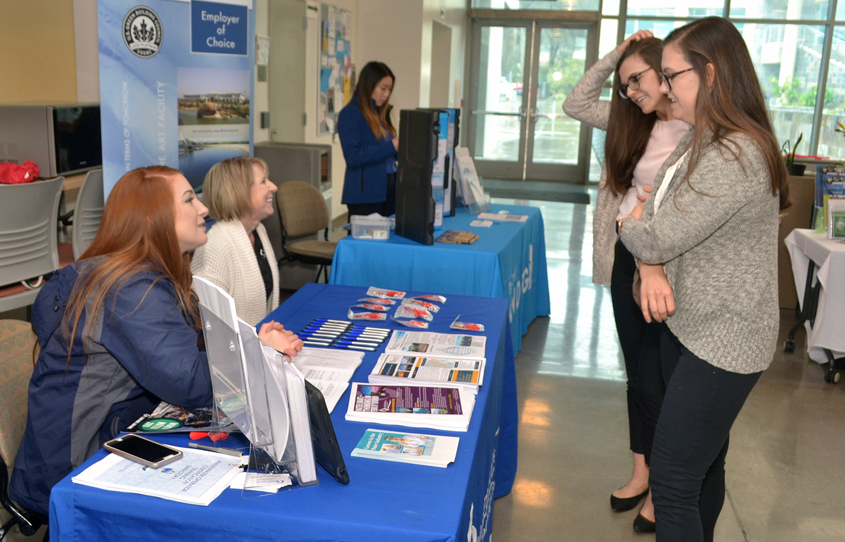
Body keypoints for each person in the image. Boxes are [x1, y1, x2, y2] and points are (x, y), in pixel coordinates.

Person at [9, 166, 302, 516]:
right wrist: (259, 351)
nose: (204, 208)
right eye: (189, 199)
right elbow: (191, 383)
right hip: (74, 469)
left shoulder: (137, 275)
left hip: (100, 439)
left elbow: (186, 348)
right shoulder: (129, 289)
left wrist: (253, 342)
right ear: (154, 218)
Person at [618, 17, 789, 541]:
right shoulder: (704, 139)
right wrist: (646, 244)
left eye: (671, 76)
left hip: (723, 340)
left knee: (671, 479)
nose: (663, 89)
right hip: (690, 324)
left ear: (710, 73)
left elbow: (651, 229)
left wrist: (631, 227)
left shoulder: (734, 153)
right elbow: (657, 224)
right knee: (700, 467)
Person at [563, 31, 689, 531]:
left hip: (669, 267)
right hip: (626, 256)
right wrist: (616, 57)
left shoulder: (695, 128)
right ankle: (640, 473)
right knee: (637, 372)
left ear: (667, 73)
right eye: (624, 85)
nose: (631, 91)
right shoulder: (629, 119)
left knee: (660, 377)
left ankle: (662, 487)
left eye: (637, 79)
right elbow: (576, 102)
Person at [192, 156, 282, 326]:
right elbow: (211, 322)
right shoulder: (216, 244)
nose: (274, 187)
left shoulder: (258, 231)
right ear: (239, 192)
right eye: (263, 181)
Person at [338, 61, 399, 219]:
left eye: (389, 89)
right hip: (366, 196)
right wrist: (392, 146)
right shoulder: (350, 114)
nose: (386, 94)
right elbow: (353, 156)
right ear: (369, 85)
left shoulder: (382, 113)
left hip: (389, 191)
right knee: (366, 243)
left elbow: (390, 154)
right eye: (383, 88)